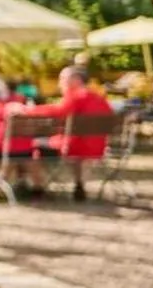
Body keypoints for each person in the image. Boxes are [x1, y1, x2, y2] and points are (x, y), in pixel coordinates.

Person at [27, 66, 114, 200]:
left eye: (62, 79)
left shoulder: (77, 95)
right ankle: (79, 185)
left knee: (31, 145)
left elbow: (58, 111)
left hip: (75, 147)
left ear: (76, 80)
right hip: (97, 148)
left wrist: (28, 110)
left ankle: (37, 187)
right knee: (72, 147)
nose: (59, 83)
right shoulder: (99, 98)